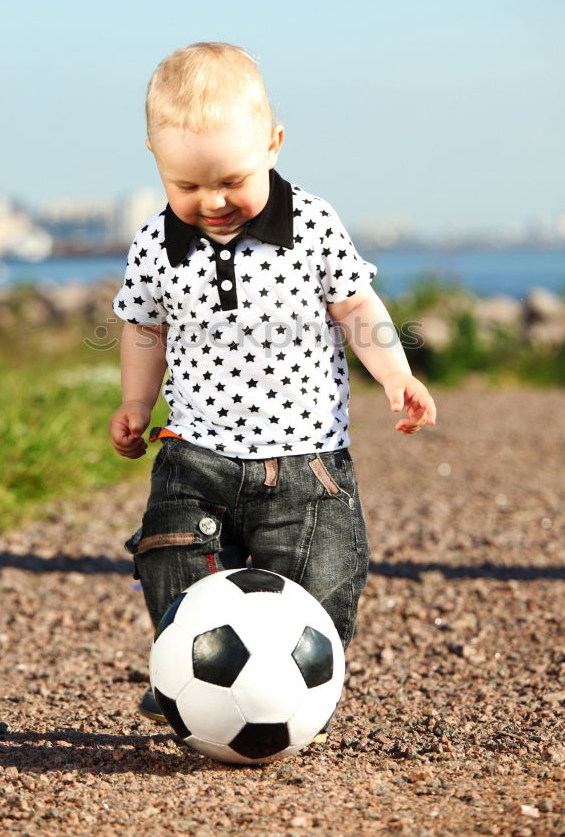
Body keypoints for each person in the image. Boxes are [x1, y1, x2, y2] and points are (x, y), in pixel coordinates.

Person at [110, 42, 436, 725]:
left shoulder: (312, 225)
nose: (214, 202)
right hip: (194, 451)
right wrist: (136, 401)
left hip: (304, 459)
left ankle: (294, 695)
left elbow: (354, 306)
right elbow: (144, 328)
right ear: (156, 160)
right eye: (188, 186)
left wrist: (395, 372)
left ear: (273, 143)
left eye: (230, 179)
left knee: (325, 577)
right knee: (173, 560)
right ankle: (186, 669)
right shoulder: (154, 244)